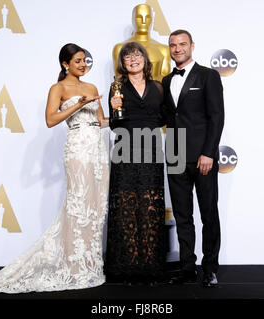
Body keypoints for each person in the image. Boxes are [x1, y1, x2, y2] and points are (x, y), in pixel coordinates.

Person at [0, 43, 110, 294]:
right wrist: (78, 104)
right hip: (78, 148)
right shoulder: (58, 88)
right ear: (65, 64)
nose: (83, 65)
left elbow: (100, 121)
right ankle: (72, 268)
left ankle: (89, 266)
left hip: (97, 151)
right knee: (78, 206)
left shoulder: (91, 87)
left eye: (85, 61)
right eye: (78, 61)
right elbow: (51, 120)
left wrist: (122, 113)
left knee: (95, 206)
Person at [161, 30, 224, 287]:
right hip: (175, 154)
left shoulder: (209, 75)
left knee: (209, 214)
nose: (177, 49)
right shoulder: (165, 81)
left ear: (192, 46)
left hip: (202, 156)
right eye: (173, 45)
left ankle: (210, 268)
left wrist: (209, 152)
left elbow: (217, 116)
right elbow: (167, 116)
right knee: (182, 215)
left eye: (182, 44)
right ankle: (188, 267)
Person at [105, 41, 166, 286]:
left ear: (145, 59)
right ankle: (129, 268)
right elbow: (114, 124)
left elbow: (164, 117)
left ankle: (150, 267)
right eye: (127, 56)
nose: (132, 59)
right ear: (122, 63)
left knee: (150, 205)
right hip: (125, 149)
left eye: (136, 54)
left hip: (151, 149)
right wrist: (113, 109)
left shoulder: (158, 87)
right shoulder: (116, 87)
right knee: (127, 207)